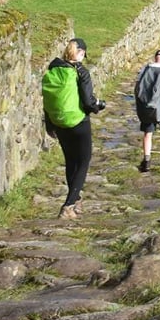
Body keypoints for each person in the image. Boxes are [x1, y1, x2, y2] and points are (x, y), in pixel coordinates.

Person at [41, 37, 104, 219]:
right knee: (83, 161)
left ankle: (75, 200)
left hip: (59, 122)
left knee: (70, 161)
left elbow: (48, 99)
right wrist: (98, 105)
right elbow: (88, 100)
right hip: (78, 122)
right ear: (81, 53)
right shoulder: (80, 71)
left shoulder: (53, 69)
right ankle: (68, 205)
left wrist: (49, 123)